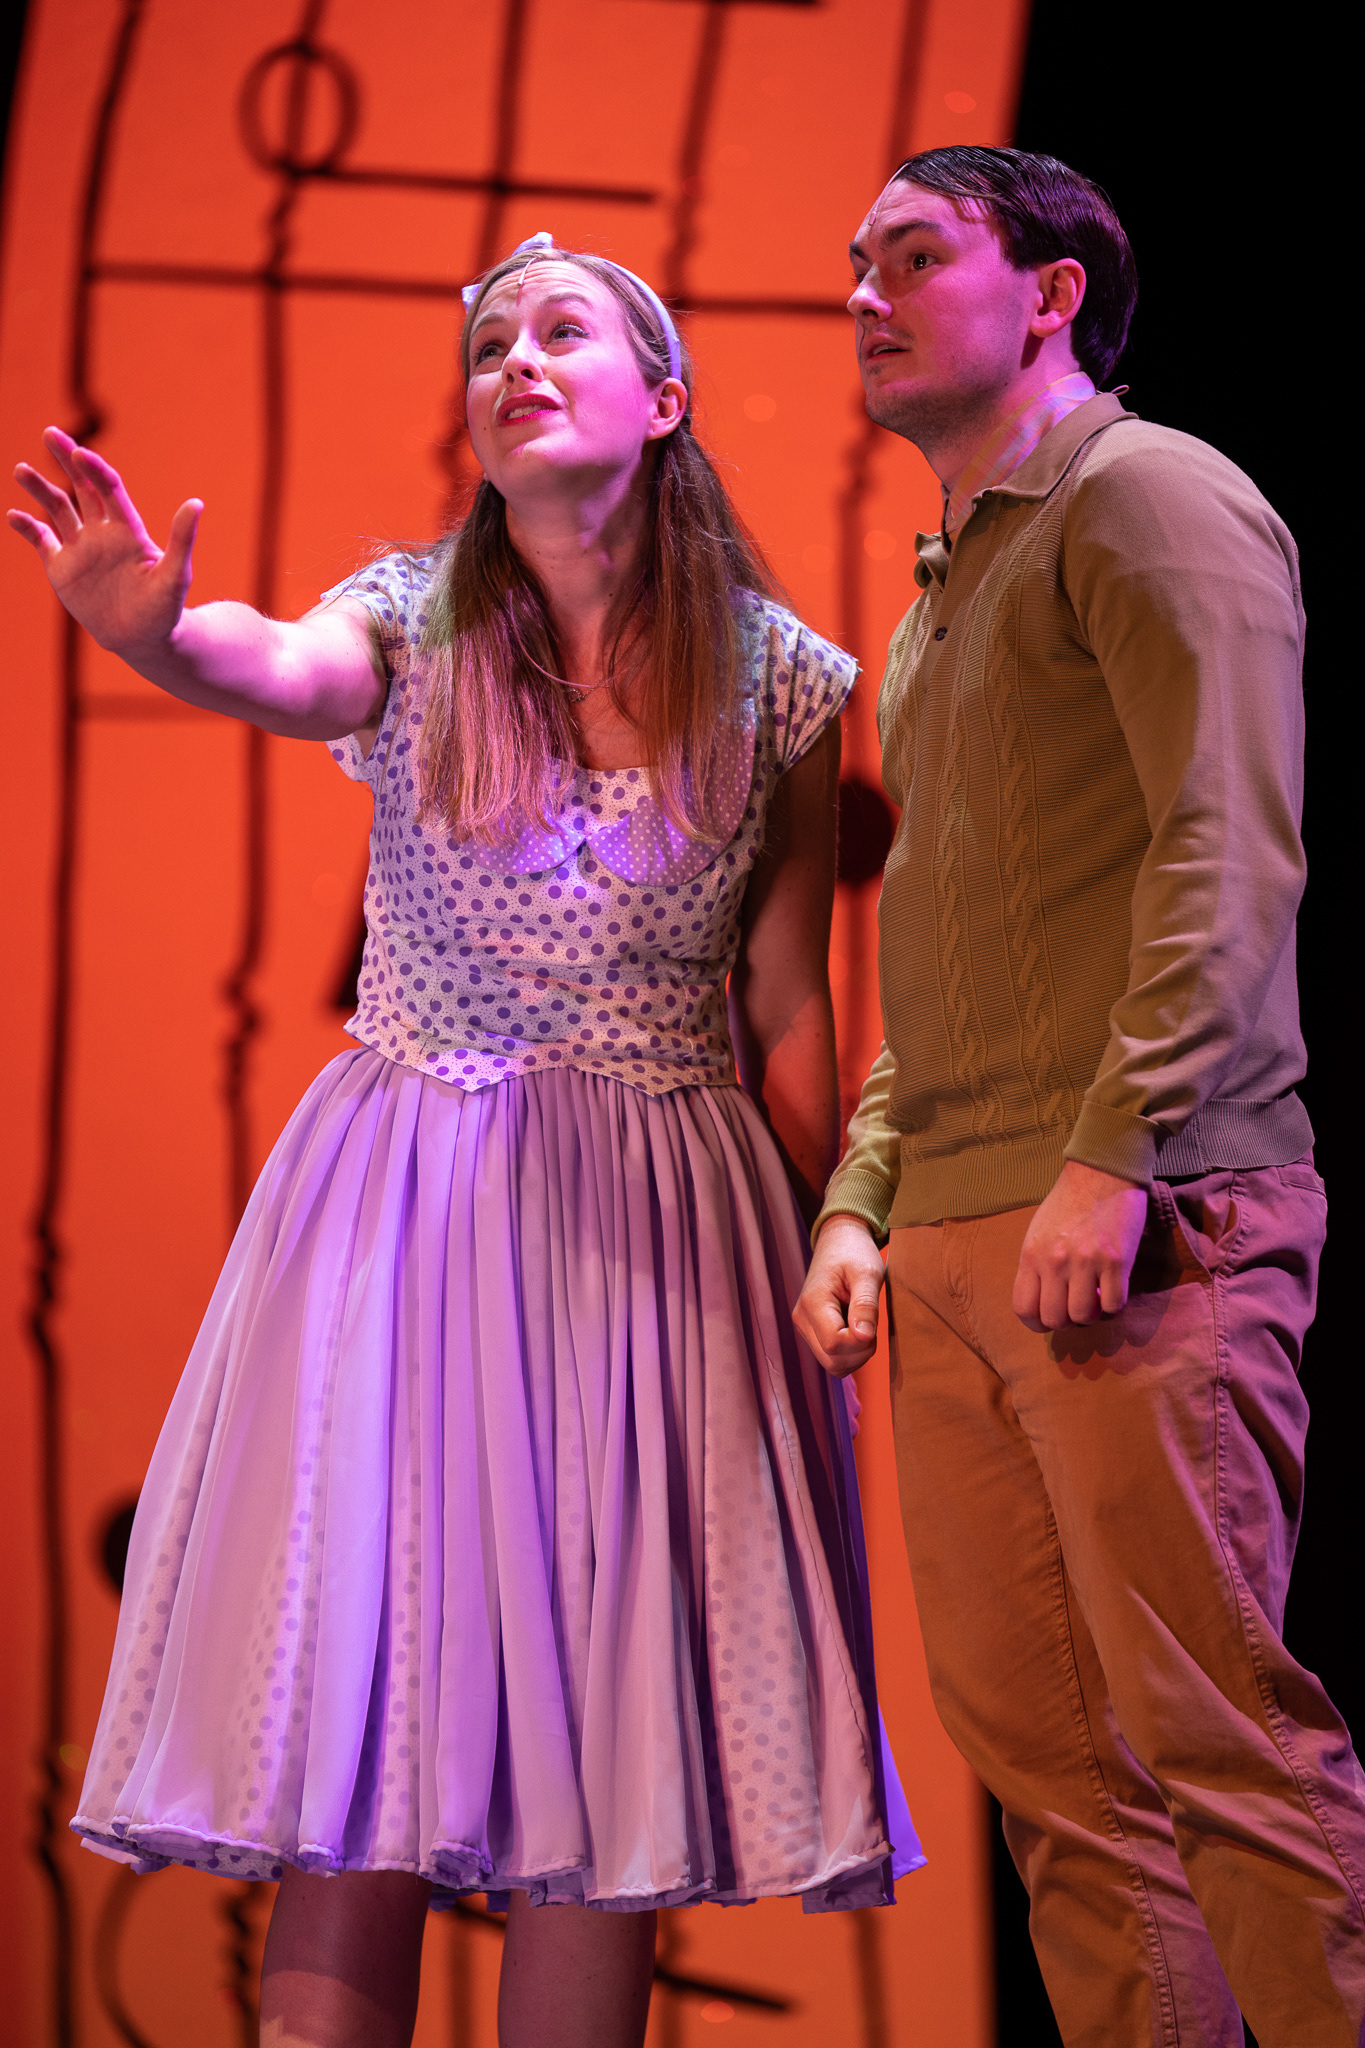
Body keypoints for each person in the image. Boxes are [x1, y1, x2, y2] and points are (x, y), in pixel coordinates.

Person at [10, 232, 920, 2048]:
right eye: (490, 342)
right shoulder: (411, 620)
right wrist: (157, 634)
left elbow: (785, 999)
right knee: (375, 1718)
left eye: (560, 331)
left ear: (663, 402)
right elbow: (282, 666)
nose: (515, 359)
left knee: (605, 1765)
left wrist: (839, 1227)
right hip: (419, 1206)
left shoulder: (780, 680)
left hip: (660, 1233)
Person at [793, 147, 1365, 2047]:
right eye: (855, 265)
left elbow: (1228, 846)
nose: (862, 297)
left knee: (1220, 1745)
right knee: (1055, 1784)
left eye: (911, 256)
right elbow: (955, 939)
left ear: (1048, 294)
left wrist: (1115, 1152)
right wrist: (863, 1195)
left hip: (1142, 1213)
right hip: (961, 1237)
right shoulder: (934, 600)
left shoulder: (1147, 494)